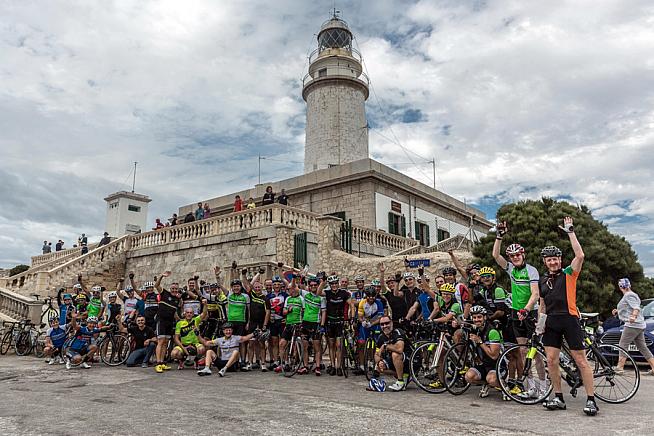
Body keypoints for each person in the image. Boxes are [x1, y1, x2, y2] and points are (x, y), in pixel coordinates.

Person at [538, 216, 598, 416]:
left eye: (555, 258)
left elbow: (580, 255)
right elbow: (542, 304)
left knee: (581, 360)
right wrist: (540, 324)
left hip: (569, 318)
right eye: (549, 259)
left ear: (560, 260)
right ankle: (558, 397)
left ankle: (591, 400)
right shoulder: (542, 280)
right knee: (551, 360)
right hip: (551, 322)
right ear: (545, 262)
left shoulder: (569, 273)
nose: (553, 262)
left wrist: (570, 232)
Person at [614, 278, 654, 375]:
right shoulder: (632, 294)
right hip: (639, 325)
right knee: (642, 347)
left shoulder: (629, 295)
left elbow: (636, 307)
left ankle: (620, 367)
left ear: (620, 287)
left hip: (632, 325)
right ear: (629, 285)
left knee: (623, 344)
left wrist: (633, 316)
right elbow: (629, 308)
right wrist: (618, 311)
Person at [464, 306, 503, 398]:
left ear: (485, 317)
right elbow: (463, 324)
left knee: (492, 379)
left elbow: (494, 356)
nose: (477, 320)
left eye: (479, 317)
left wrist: (480, 342)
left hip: (497, 365)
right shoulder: (476, 329)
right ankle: (486, 384)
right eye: (474, 317)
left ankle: (504, 386)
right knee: (468, 377)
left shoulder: (492, 331)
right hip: (484, 365)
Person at [372, 315, 412, 391]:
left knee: (395, 354)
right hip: (398, 360)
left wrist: (385, 346)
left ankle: (400, 382)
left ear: (391, 323)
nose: (385, 326)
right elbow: (376, 354)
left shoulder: (398, 332)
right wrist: (379, 361)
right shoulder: (381, 337)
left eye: (387, 323)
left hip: (411, 359)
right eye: (382, 324)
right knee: (379, 367)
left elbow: (399, 349)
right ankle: (405, 376)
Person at [323, 274, 353, 376]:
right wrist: (322, 281)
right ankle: (332, 365)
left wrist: (352, 317)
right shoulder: (327, 293)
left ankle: (339, 367)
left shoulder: (344, 293)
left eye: (335, 283)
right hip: (330, 322)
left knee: (339, 346)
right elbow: (318, 293)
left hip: (340, 322)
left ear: (338, 283)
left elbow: (351, 305)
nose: (334, 285)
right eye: (332, 284)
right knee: (331, 345)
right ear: (330, 285)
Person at [154, 271, 182, 373]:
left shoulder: (177, 300)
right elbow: (156, 285)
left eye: (176, 289)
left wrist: (180, 319)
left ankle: (162, 362)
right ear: (170, 289)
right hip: (161, 320)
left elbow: (174, 312)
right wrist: (161, 276)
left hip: (169, 322)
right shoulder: (164, 293)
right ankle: (158, 363)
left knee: (166, 342)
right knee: (161, 341)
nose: (174, 290)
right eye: (173, 288)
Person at [299, 276, 327, 375]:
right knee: (305, 346)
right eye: (311, 285)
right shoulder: (305, 294)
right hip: (305, 323)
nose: (313, 287)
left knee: (317, 347)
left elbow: (323, 312)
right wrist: (301, 277)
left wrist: (322, 325)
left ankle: (317, 367)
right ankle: (305, 366)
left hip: (316, 323)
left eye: (315, 285)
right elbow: (295, 287)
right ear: (309, 287)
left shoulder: (321, 298)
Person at [171, 301, 208, 370]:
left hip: (195, 344)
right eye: (187, 312)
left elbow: (204, 313)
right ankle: (181, 360)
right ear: (184, 314)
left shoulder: (196, 320)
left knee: (202, 349)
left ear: (193, 314)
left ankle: (196, 360)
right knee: (174, 354)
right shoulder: (180, 323)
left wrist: (205, 305)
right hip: (184, 345)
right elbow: (176, 339)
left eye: (191, 313)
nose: (189, 314)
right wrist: (184, 348)